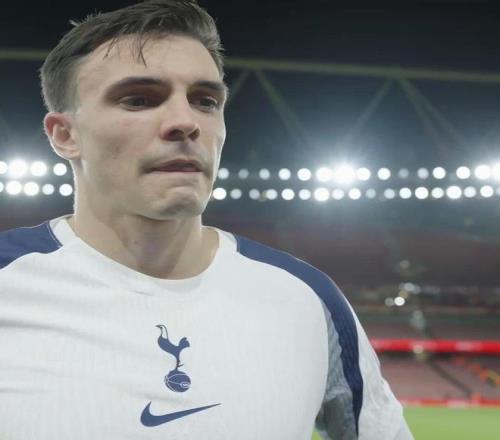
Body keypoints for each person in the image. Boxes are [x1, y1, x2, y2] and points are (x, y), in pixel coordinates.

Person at [0, 1, 414, 439]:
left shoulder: (308, 300)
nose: (185, 122)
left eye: (205, 101)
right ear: (65, 135)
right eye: (139, 100)